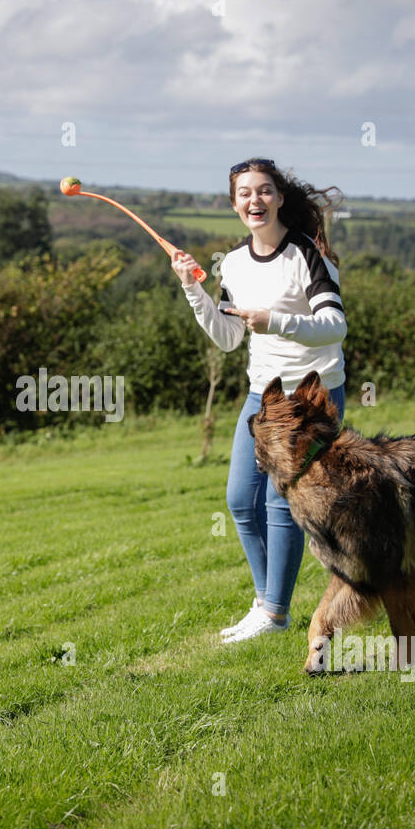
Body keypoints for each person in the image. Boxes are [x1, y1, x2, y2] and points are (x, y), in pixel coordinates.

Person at [171, 158, 347, 642]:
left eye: (265, 191)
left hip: (312, 398)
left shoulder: (306, 255)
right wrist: (193, 290)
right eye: (245, 193)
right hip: (263, 398)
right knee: (238, 501)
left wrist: (276, 321)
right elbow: (229, 337)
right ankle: (266, 602)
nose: (256, 200)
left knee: (277, 502)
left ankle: (274, 612)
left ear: (279, 198)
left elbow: (336, 326)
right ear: (234, 205)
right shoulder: (233, 263)